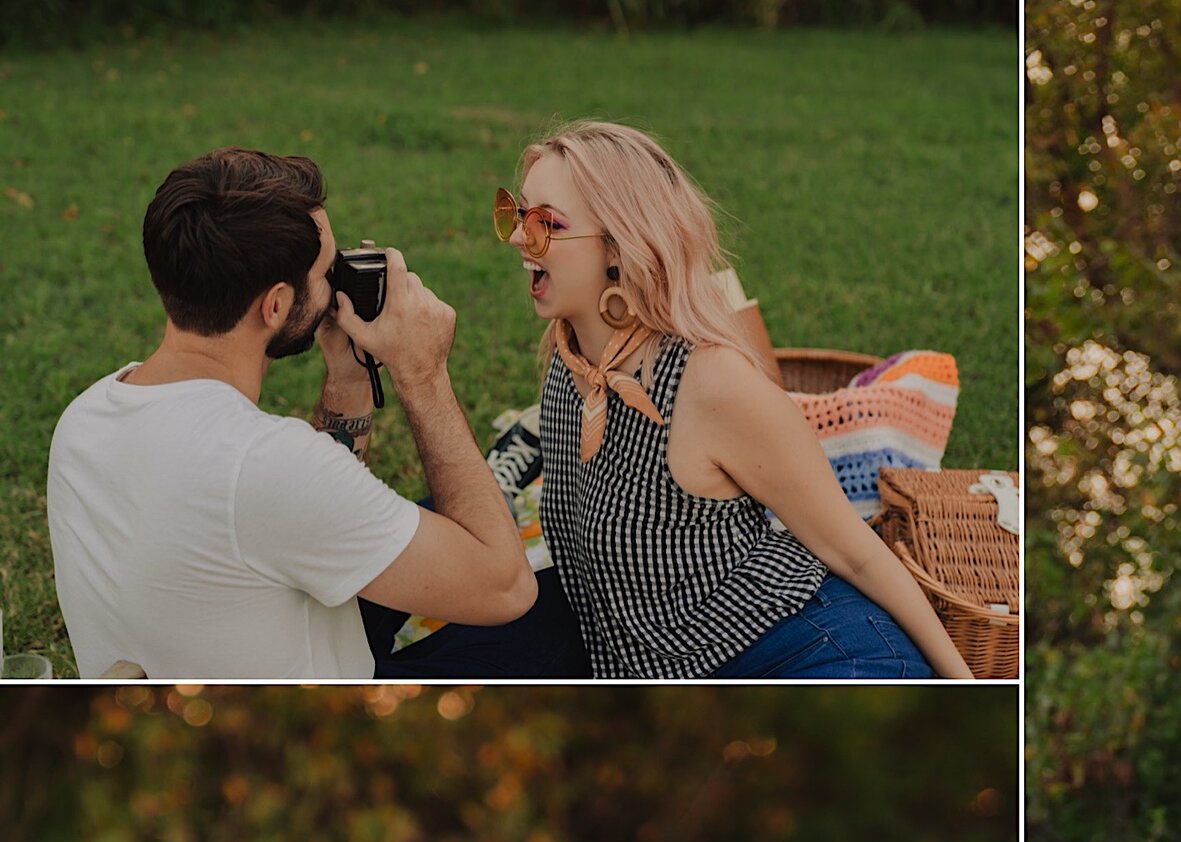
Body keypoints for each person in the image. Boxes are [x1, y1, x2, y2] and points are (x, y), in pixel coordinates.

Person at [47, 148, 537, 681]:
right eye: (328, 272)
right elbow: (505, 587)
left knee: (420, 519)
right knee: (554, 605)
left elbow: (308, 511)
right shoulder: (267, 464)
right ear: (276, 306)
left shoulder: (85, 415)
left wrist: (348, 379)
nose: (336, 286)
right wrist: (425, 377)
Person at [508, 121, 973, 680]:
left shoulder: (711, 383)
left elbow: (857, 552)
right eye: (516, 214)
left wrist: (962, 681)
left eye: (545, 224)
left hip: (814, 650)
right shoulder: (568, 361)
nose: (517, 239)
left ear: (620, 244)